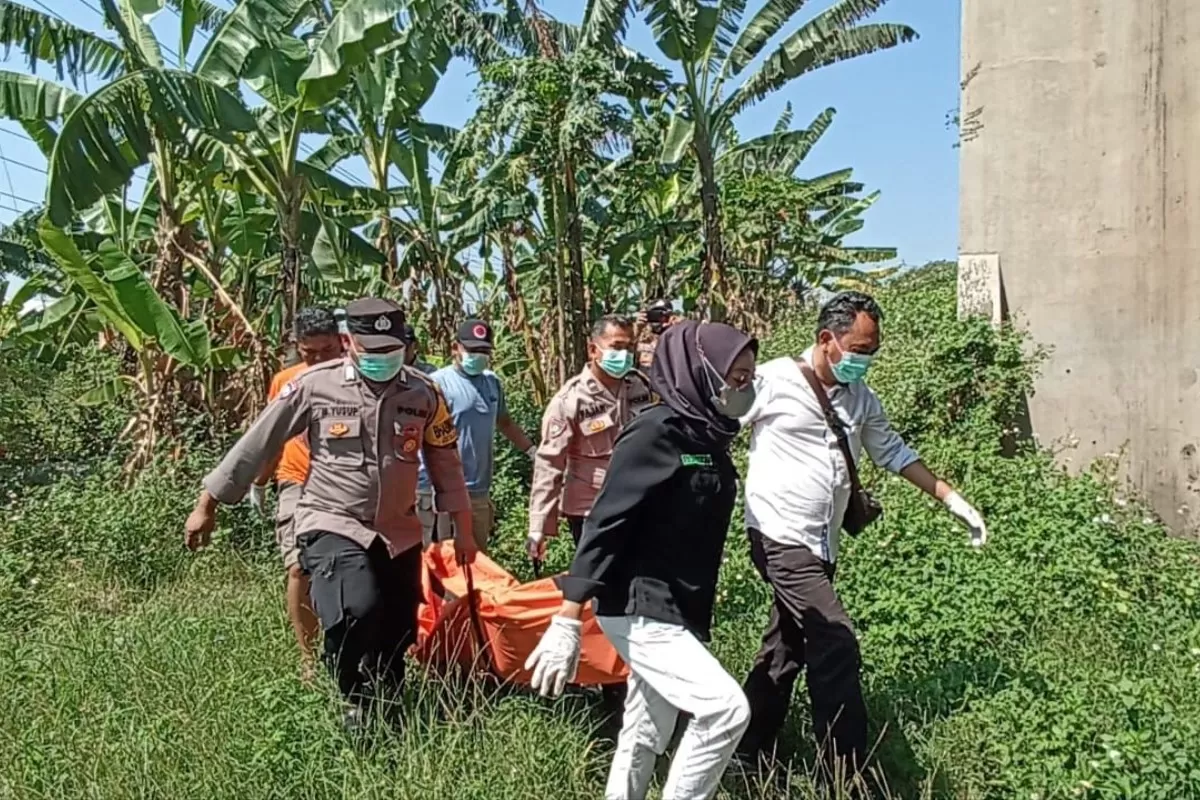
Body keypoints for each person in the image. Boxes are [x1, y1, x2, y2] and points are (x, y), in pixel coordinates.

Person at [184, 298, 475, 731]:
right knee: (355, 607)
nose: (382, 359)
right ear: (348, 342)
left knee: (398, 626)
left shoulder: (423, 392)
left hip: (398, 529)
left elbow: (446, 464)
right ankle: (352, 698)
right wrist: (207, 503)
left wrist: (464, 532)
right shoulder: (313, 386)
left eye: (390, 350)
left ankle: (389, 709)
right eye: (371, 350)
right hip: (332, 520)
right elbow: (258, 441)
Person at [735, 291, 989, 775]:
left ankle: (746, 749)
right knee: (836, 640)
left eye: (872, 352)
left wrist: (951, 497)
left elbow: (890, 450)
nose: (865, 361)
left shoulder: (860, 397)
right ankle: (846, 772)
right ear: (827, 339)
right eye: (859, 350)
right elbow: (720, 422)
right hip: (778, 535)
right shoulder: (772, 381)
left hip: (822, 540)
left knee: (785, 646)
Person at [524, 320, 759, 800]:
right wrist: (569, 617)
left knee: (647, 727)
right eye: (736, 377)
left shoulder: (708, 436)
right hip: (638, 603)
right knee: (725, 709)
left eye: (749, 377)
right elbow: (606, 522)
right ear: (701, 371)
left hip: (682, 603)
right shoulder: (654, 431)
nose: (745, 388)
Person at [246, 307, 343, 682]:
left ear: (342, 343)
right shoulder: (286, 381)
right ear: (297, 348)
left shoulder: (356, 378)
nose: (318, 360)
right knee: (298, 567)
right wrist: (259, 482)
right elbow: (272, 436)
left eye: (326, 350)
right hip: (297, 480)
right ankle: (308, 659)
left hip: (343, 484)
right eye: (309, 353)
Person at [525, 314, 656, 561]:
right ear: (593, 350)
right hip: (590, 510)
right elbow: (549, 464)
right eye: (616, 347)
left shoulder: (641, 387)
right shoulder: (571, 400)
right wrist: (538, 527)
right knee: (599, 585)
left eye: (629, 347)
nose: (625, 355)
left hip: (638, 503)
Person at [418, 319, 535, 552]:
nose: (477, 356)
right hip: (441, 491)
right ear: (456, 349)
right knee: (443, 564)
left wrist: (532, 452)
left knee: (476, 562)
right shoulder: (437, 384)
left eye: (483, 350)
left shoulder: (492, 382)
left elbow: (504, 422)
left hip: (478, 490)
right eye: (471, 350)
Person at [635, 298, 679, 370]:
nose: (659, 318)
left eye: (663, 315)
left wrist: (676, 328)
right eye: (654, 314)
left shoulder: (675, 335)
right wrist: (638, 329)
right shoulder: (640, 335)